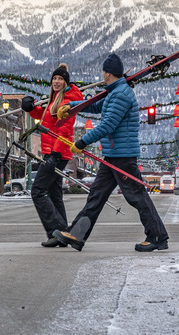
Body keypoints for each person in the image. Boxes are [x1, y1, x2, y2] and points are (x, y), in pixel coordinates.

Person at [52, 52, 169, 252]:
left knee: (136, 196)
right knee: (96, 196)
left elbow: (108, 125)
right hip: (114, 154)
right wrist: (71, 106)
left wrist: (82, 141)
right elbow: (97, 106)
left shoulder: (121, 94)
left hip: (123, 156)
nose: (103, 74)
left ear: (108, 73)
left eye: (103, 71)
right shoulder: (114, 92)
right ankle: (77, 234)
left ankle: (158, 236)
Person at [21, 64, 83, 247]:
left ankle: (56, 231)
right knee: (55, 194)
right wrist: (31, 108)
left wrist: (55, 153)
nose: (56, 82)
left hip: (58, 152)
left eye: (60, 79)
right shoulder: (55, 98)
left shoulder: (69, 100)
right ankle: (63, 234)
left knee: (38, 191)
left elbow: (64, 128)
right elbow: (46, 117)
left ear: (66, 82)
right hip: (53, 151)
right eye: (54, 79)